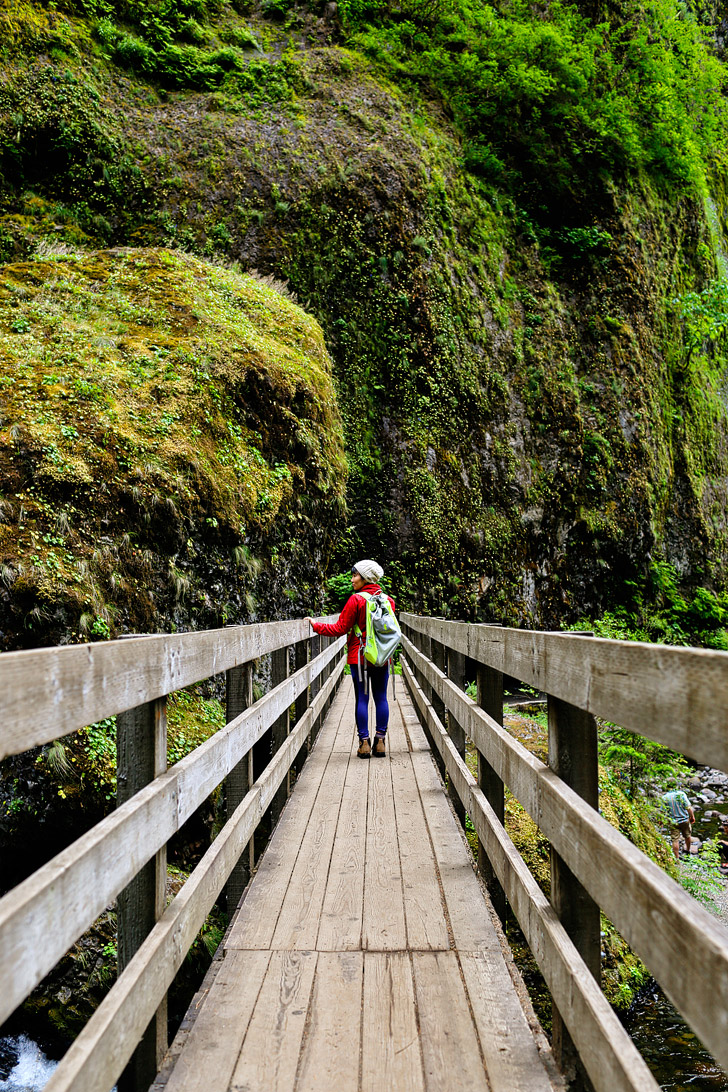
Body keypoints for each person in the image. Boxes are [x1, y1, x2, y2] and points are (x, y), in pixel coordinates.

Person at [304, 559, 395, 759]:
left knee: (362, 699)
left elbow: (339, 628)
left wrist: (316, 625)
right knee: (381, 697)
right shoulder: (388, 601)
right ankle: (380, 742)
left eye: (355, 576)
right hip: (381, 658)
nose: (352, 579)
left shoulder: (356, 600)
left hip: (360, 657)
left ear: (365, 578)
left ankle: (364, 743)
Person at [661, 789, 695, 861]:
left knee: (675, 840)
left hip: (673, 822)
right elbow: (688, 807)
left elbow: (662, 811)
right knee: (687, 836)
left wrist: (661, 821)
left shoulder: (665, 797)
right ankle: (688, 851)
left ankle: (677, 858)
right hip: (684, 820)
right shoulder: (681, 794)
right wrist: (692, 817)